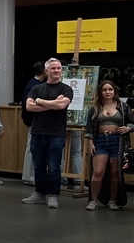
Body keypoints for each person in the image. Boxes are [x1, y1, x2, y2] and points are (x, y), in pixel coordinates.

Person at [22, 58, 74, 210]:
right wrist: (52, 104)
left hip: (56, 133)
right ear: (46, 71)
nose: (57, 70)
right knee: (38, 166)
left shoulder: (66, 89)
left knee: (54, 167)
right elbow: (29, 107)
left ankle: (52, 195)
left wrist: (40, 101)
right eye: (53, 68)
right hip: (38, 132)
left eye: (59, 68)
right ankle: (39, 193)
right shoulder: (36, 88)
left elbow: (62, 105)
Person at [84, 80, 132, 211]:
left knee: (115, 172)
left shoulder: (123, 107)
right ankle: (93, 200)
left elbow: (132, 122)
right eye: (104, 90)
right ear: (100, 92)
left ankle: (112, 200)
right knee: (98, 171)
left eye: (110, 89)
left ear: (114, 91)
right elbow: (89, 128)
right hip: (100, 140)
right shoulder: (95, 108)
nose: (107, 92)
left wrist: (128, 128)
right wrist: (91, 143)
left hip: (117, 141)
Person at [20, 61, 46, 186]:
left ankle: (29, 175)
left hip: (32, 120)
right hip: (33, 121)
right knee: (32, 147)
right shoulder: (35, 86)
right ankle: (28, 175)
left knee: (32, 147)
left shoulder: (32, 83)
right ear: (44, 71)